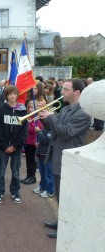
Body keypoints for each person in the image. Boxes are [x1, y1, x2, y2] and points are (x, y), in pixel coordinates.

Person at [38, 78, 91, 239]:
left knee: (67, 196)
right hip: (57, 156)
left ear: (77, 92)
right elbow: (56, 129)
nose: (62, 92)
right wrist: (44, 117)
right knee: (60, 194)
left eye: (66, 89)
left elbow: (66, 132)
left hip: (68, 160)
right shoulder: (67, 109)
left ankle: (67, 227)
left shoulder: (83, 113)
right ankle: (61, 221)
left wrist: (51, 116)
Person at [0, 85, 28, 204]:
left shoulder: (22, 109)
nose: (12, 96)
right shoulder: (1, 109)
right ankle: (0, 191)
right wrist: (4, 145)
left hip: (16, 148)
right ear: (6, 95)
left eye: (14, 94)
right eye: (10, 94)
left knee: (15, 171)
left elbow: (24, 131)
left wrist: (15, 146)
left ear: (17, 95)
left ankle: (15, 192)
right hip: (3, 147)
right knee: (1, 171)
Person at [21, 101, 43, 185]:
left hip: (33, 141)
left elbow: (36, 128)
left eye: (32, 107)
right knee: (28, 160)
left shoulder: (38, 117)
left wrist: (28, 124)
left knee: (32, 160)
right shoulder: (29, 116)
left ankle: (32, 177)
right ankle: (28, 175)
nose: (30, 109)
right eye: (29, 107)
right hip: (27, 141)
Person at [33, 126, 55, 198]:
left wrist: (39, 132)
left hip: (47, 155)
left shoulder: (52, 130)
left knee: (48, 174)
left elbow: (46, 140)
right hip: (41, 154)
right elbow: (41, 140)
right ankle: (42, 187)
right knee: (42, 173)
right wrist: (37, 142)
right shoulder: (44, 129)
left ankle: (50, 191)